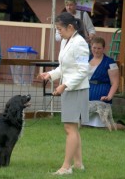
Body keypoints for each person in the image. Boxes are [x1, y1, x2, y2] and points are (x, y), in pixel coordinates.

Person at [38, 12, 89, 175]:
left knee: (70, 128)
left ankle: (66, 167)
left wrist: (64, 85)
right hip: (70, 88)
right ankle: (78, 164)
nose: (58, 32)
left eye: (59, 29)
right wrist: (50, 75)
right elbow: (64, 68)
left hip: (77, 89)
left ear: (70, 27)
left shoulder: (80, 43)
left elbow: (82, 71)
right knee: (72, 127)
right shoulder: (67, 41)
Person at [85, 36, 125, 130]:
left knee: (102, 127)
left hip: (101, 93)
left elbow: (115, 83)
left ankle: (121, 126)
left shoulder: (110, 63)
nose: (96, 51)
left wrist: (109, 96)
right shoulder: (86, 59)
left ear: (103, 48)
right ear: (91, 47)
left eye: (99, 48)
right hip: (86, 91)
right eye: (94, 48)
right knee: (84, 125)